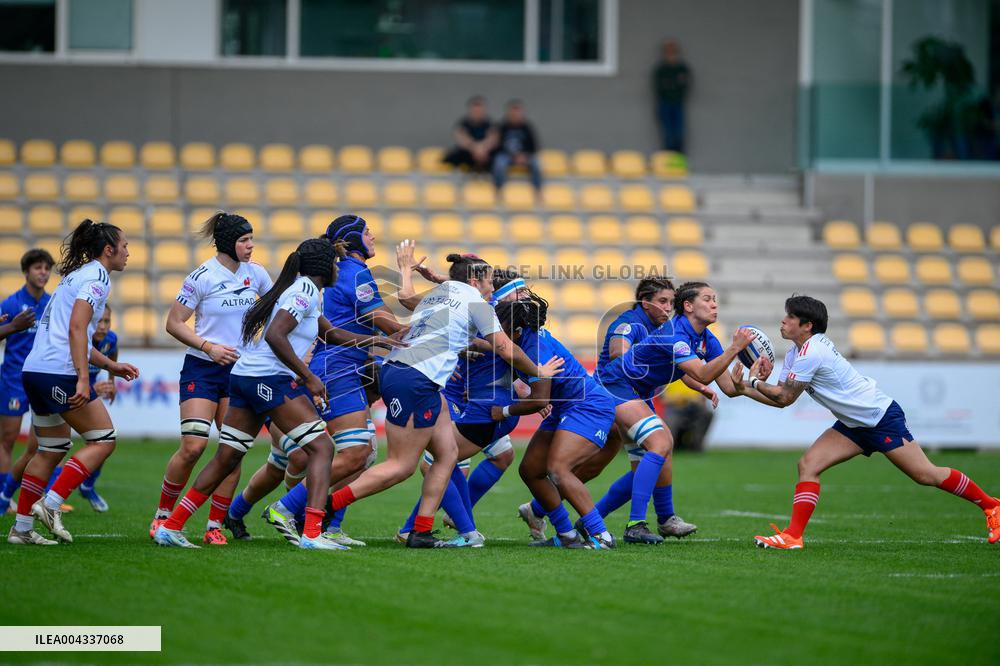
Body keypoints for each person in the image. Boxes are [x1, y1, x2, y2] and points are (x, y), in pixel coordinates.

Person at [154, 239, 401, 550]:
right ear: (323, 267)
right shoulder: (305, 290)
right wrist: (308, 377)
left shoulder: (306, 290)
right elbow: (275, 335)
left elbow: (330, 333)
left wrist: (378, 341)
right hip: (267, 379)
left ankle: (171, 526)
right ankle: (312, 533)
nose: (338, 269)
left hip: (246, 376)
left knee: (227, 457)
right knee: (322, 448)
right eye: (334, 263)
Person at [324, 246, 564, 549]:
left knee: (448, 455)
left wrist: (411, 271)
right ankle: (322, 506)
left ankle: (421, 531)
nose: (492, 287)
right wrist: (538, 373)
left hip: (411, 375)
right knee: (402, 465)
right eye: (489, 281)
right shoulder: (479, 304)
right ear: (475, 282)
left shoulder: (445, 293)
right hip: (427, 382)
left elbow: (409, 298)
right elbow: (505, 348)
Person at [727, 295, 1000, 549]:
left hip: (880, 418)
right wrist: (746, 389)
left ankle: (991, 505)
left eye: (790, 317)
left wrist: (754, 383)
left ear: (807, 325)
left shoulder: (812, 352)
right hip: (853, 425)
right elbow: (783, 399)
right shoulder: (794, 353)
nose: (783, 320)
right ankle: (793, 536)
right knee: (808, 465)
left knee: (926, 475)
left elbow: (784, 395)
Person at [261, 215, 407, 548]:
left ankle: (328, 525)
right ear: (353, 239)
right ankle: (287, 509)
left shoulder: (344, 272)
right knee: (353, 453)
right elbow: (382, 319)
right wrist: (427, 332)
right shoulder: (356, 273)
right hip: (339, 369)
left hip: (346, 367)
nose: (373, 236)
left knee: (362, 453)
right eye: (367, 231)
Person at [9, 220, 140, 546]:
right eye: (124, 246)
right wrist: (83, 379)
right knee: (104, 440)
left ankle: (21, 529)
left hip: (35, 370)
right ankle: (51, 504)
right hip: (59, 371)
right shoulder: (98, 278)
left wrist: (110, 365)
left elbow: (74, 331)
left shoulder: (76, 276)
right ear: (108, 250)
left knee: (51, 449)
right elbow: (77, 329)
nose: (128, 252)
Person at [149, 212, 273, 545]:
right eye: (244, 240)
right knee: (193, 446)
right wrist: (209, 347)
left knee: (232, 452)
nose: (250, 245)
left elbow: (276, 313)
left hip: (240, 372)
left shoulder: (257, 274)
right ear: (228, 242)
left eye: (251, 239)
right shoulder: (201, 277)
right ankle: (162, 515)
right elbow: (173, 323)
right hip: (203, 368)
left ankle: (214, 525)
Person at [595, 299, 758, 544]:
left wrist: (759, 383)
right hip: (616, 385)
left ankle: (596, 519)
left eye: (715, 299)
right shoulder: (670, 332)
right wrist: (734, 348)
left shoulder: (704, 338)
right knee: (660, 443)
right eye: (707, 299)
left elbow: (728, 387)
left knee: (655, 456)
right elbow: (701, 373)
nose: (714, 304)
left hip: (637, 392)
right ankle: (634, 524)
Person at [394, 267, 532, 546]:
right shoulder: (484, 308)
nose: (526, 296)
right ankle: (460, 528)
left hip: (479, 400)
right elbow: (487, 344)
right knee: (444, 463)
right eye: (520, 291)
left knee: (500, 455)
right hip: (457, 398)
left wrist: (531, 387)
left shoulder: (507, 314)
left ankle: (432, 526)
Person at [0, 249, 54, 516]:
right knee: (7, 439)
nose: (43, 272)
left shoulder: (52, 304)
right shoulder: (11, 304)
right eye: (37, 267)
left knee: (40, 444)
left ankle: (27, 495)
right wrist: (13, 326)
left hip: (42, 379)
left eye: (47, 268)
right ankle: (2, 495)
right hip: (13, 379)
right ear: (26, 272)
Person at [77, 303, 120, 512]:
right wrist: (90, 387)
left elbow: (113, 354)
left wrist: (112, 381)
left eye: (107, 321)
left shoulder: (110, 339)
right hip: (64, 394)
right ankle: (7, 495)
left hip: (86, 396)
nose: (102, 326)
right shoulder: (77, 340)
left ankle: (87, 485)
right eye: (98, 321)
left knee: (104, 440)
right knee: (49, 447)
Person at [492, 99, 542, 192]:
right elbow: (497, 147)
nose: (515, 115)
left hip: (524, 156)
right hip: (506, 156)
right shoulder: (502, 127)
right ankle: (499, 190)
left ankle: (537, 190)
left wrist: (524, 156)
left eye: (518, 112)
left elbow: (534, 146)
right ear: (508, 113)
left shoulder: (527, 128)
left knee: (536, 163)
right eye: (513, 112)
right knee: (499, 163)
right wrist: (513, 156)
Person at [652, 40, 691, 153]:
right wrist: (672, 85)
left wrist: (672, 86)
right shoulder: (661, 69)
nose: (671, 54)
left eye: (673, 51)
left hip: (678, 102)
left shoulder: (681, 68)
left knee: (678, 130)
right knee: (668, 131)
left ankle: (679, 154)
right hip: (664, 103)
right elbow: (660, 87)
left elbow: (684, 85)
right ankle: (668, 154)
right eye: (668, 52)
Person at [442, 95, 497, 173]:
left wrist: (482, 149)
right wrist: (475, 149)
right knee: (454, 155)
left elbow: (493, 139)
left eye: (479, 109)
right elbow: (461, 139)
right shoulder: (463, 123)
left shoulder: (490, 124)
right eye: (475, 109)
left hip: (485, 154)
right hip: (468, 154)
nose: (477, 112)